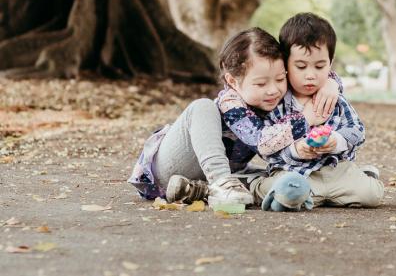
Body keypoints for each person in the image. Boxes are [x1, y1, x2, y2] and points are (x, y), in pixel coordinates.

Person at [127, 27, 338, 206]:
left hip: (220, 176)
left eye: (280, 78)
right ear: (233, 81)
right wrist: (305, 118)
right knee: (202, 106)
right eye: (261, 84)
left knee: (270, 177)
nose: (273, 90)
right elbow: (263, 142)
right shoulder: (231, 102)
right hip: (171, 165)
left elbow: (305, 76)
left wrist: (331, 83)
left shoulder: (272, 97)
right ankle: (220, 183)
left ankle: (198, 191)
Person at [218, 13, 384, 208]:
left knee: (371, 194)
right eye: (301, 66)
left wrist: (337, 139)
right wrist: (298, 143)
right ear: (286, 64)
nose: (311, 76)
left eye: (320, 66)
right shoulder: (257, 102)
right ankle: (257, 185)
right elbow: (265, 145)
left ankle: (356, 179)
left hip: (332, 169)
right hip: (282, 171)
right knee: (288, 188)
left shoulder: (328, 95)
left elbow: (356, 128)